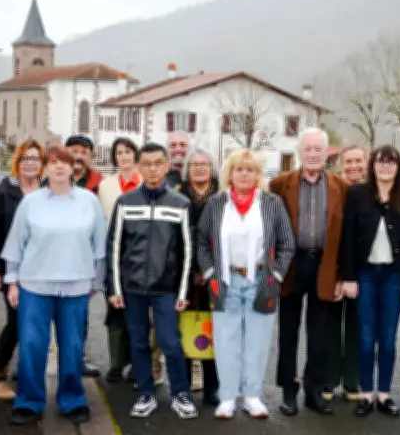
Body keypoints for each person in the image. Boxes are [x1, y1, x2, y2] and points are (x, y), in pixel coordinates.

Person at [1, 146, 107, 426]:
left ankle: (72, 399)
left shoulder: (88, 201)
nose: (59, 167)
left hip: (76, 285)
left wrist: (97, 281)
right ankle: (29, 401)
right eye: (53, 162)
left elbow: (99, 245)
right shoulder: (31, 202)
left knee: (72, 345)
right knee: (32, 344)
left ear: (73, 168)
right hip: (35, 284)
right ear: (45, 169)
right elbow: (16, 243)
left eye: (65, 162)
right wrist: (12, 282)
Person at [196, 149, 295, 419]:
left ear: (258, 175)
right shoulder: (216, 203)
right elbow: (201, 242)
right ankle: (227, 397)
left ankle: (252, 396)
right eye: (239, 169)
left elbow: (287, 244)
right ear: (230, 173)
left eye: (250, 170)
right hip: (225, 281)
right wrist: (210, 273)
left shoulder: (272, 203)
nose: (244, 174)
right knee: (225, 342)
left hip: (261, 281)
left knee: (257, 342)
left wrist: (276, 276)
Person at [106, 142, 197, 419]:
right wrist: (115, 287)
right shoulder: (125, 202)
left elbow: (188, 251)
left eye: (158, 163)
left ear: (167, 166)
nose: (153, 169)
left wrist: (183, 291)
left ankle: (180, 393)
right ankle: (145, 394)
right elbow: (114, 247)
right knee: (138, 343)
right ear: (139, 167)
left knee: (170, 342)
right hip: (132, 287)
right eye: (146, 164)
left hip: (166, 288)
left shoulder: (181, 204)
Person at [340, 145, 400, 417]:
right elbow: (347, 238)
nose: (385, 166)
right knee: (366, 338)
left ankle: (385, 394)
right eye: (380, 161)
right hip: (365, 275)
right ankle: (366, 393)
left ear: (399, 167)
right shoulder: (357, 195)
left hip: (394, 276)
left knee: (387, 338)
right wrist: (348, 277)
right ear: (372, 166)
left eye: (391, 162)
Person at [269, 127, 350, 416]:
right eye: (308, 149)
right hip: (292, 264)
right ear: (299, 152)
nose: (313, 154)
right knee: (287, 332)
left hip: (325, 265)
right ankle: (288, 391)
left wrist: (342, 275)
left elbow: (346, 234)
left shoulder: (341, 186)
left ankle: (314, 391)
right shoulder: (280, 184)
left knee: (319, 335)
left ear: (327, 153)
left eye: (318, 149)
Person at [0, 139, 46, 401]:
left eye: (35, 159)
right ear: (17, 162)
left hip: (45, 269)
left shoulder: (50, 191)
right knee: (18, 322)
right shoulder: (2, 192)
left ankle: (28, 372)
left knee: (37, 324)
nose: (30, 163)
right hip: (13, 270)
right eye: (25, 158)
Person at [324, 144, 367, 402]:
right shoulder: (333, 191)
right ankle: (329, 380)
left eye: (358, 161)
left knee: (356, 326)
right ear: (341, 165)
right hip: (334, 268)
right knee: (330, 326)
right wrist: (338, 273)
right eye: (348, 161)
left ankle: (352, 381)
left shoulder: (373, 193)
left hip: (362, 271)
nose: (353, 166)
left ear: (366, 163)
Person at [178, 149, 221, 406]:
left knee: (211, 329)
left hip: (214, 273)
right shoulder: (177, 195)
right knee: (184, 328)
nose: (199, 168)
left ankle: (212, 386)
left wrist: (207, 268)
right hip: (183, 273)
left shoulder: (222, 196)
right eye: (194, 165)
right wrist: (192, 269)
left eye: (204, 164)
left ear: (212, 168)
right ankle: (182, 385)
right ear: (187, 170)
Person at [98, 137, 141, 383]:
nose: (124, 156)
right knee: (115, 310)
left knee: (138, 313)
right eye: (119, 153)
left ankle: (137, 363)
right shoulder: (106, 186)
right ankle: (116, 363)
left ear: (135, 155)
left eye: (128, 151)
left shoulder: (145, 182)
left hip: (140, 256)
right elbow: (102, 220)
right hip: (114, 255)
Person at [60, 133, 103, 377]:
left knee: (79, 314)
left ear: (90, 156)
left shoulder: (99, 184)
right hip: (52, 257)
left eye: (83, 152)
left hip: (83, 259)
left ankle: (78, 357)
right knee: (41, 315)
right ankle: (34, 361)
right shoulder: (50, 179)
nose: (78, 156)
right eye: (74, 151)